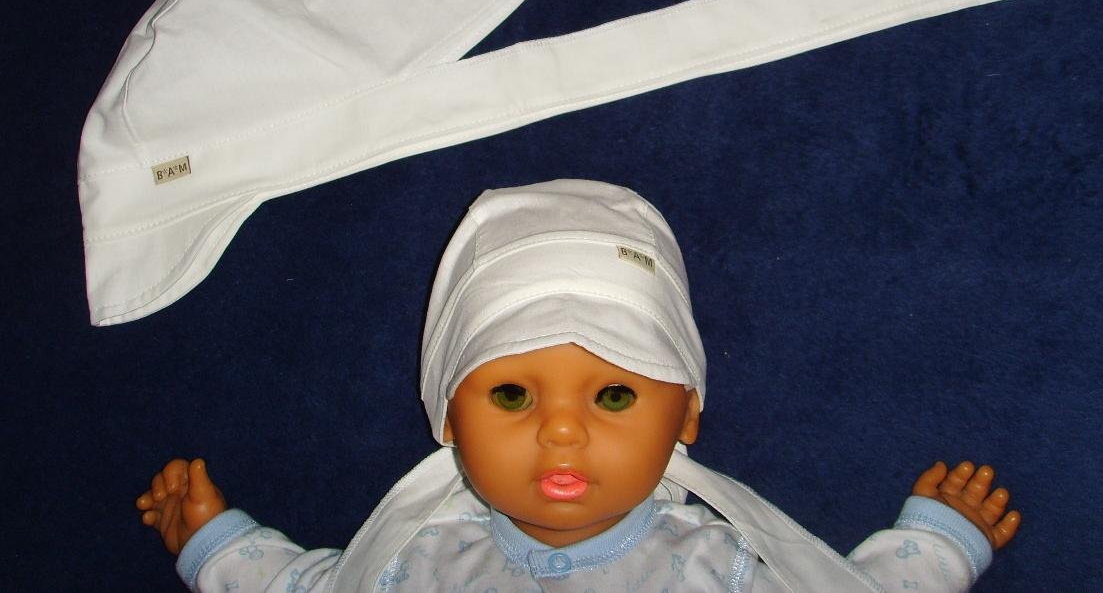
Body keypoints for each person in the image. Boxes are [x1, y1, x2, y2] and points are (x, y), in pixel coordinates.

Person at [138, 180, 1020, 592]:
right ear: (448, 417)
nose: (561, 433)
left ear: (687, 415)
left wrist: (936, 547)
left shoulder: (716, 570)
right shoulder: (411, 562)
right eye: (512, 396)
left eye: (614, 395)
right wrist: (215, 542)